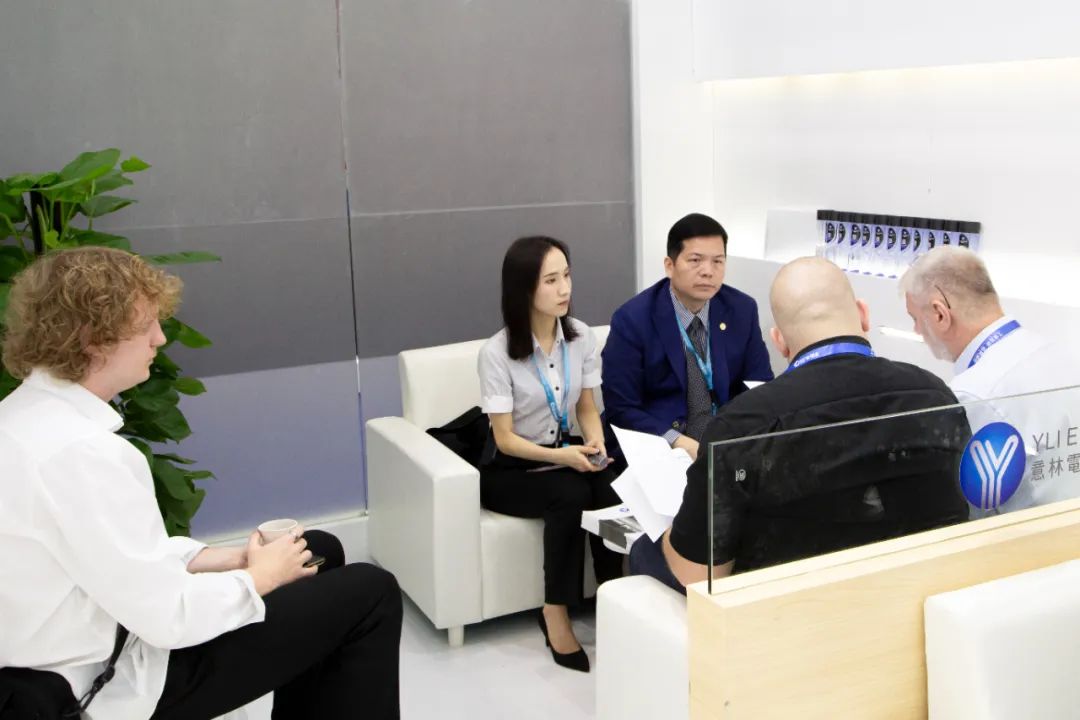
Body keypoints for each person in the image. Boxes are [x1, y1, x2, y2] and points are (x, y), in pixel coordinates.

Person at [0, 247, 402, 719]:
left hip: (82, 640)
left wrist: (226, 559)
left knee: (318, 550)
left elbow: (112, 556)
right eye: (146, 325)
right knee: (371, 592)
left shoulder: (23, 418)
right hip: (104, 687)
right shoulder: (82, 453)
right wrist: (259, 577)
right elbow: (167, 618)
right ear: (93, 338)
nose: (159, 338)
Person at [629, 257, 970, 591]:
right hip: (918, 599)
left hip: (784, 616)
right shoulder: (935, 396)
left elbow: (698, 576)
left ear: (779, 341)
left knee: (642, 551)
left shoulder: (743, 425)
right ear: (863, 314)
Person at [477, 236, 623, 673]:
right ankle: (555, 610)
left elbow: (587, 408)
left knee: (611, 484)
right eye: (551, 280)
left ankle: (615, 599)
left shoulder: (581, 337)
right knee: (569, 493)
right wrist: (566, 458)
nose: (565, 289)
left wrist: (594, 444)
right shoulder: (496, 353)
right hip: (511, 469)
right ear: (524, 289)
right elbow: (504, 439)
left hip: (564, 450)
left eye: (567, 276)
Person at [901, 245, 1080, 513]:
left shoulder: (971, 396)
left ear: (940, 314)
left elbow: (971, 510)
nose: (916, 330)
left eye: (915, 318)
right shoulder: (1059, 354)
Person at [602, 213, 773, 461]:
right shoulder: (633, 319)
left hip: (724, 444)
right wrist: (677, 442)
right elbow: (621, 407)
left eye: (718, 261)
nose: (708, 272)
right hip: (658, 446)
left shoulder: (741, 309)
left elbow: (759, 386)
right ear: (669, 265)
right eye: (695, 260)